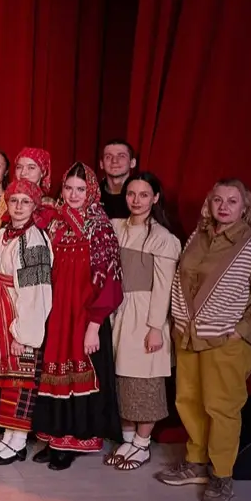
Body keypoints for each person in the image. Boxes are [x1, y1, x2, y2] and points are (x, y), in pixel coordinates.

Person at [156, 178, 251, 501]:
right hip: (189, 337)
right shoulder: (197, 237)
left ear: (245, 207)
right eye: (218, 200)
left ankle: (222, 474)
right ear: (209, 204)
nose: (224, 207)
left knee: (222, 407)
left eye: (232, 201)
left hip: (226, 340)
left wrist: (243, 328)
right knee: (188, 401)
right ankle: (196, 463)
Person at [29, 163, 124, 470]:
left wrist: (94, 326)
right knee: (53, 374)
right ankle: (54, 436)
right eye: (68, 188)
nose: (73, 195)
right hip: (57, 313)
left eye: (80, 189)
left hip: (84, 316)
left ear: (91, 191)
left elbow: (111, 280)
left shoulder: (100, 227)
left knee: (79, 376)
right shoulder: (54, 223)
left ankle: (72, 441)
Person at [0, 179, 55, 465]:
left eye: (25, 202)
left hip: (17, 311)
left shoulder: (34, 240)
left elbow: (36, 291)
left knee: (20, 376)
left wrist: (23, 332)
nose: (19, 207)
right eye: (14, 201)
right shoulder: (2, 235)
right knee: (4, 376)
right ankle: (8, 435)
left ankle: (19, 439)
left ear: (35, 206)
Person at [108, 170, 181, 472]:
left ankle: (142, 443)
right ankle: (127, 439)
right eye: (131, 194)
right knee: (122, 379)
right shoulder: (116, 227)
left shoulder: (163, 238)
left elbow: (163, 287)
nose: (136, 200)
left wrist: (155, 328)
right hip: (120, 310)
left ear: (155, 198)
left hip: (146, 312)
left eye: (144, 195)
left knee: (145, 381)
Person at [97, 139, 138, 220]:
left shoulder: (143, 196)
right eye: (108, 157)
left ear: (132, 163)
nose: (114, 161)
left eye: (121, 156)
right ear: (101, 164)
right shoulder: (92, 196)